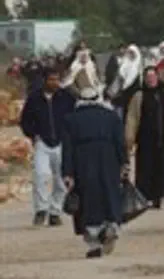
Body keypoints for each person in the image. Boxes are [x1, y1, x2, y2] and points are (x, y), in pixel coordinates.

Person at [62, 87, 126, 258]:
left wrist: (67, 172)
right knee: (110, 193)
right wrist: (124, 163)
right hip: (108, 158)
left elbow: (67, 149)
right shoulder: (111, 117)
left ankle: (93, 241)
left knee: (88, 198)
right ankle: (111, 225)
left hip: (82, 161)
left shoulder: (70, 119)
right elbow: (120, 142)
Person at [20, 68, 76, 226]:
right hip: (42, 142)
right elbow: (25, 120)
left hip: (62, 143)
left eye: (57, 79)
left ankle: (55, 212)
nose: (55, 83)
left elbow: (73, 118)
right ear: (45, 80)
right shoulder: (34, 98)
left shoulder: (66, 97)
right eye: (51, 80)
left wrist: (70, 136)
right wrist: (33, 134)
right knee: (41, 175)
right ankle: (41, 209)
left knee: (61, 179)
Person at [125, 67, 164, 209]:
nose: (150, 80)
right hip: (146, 139)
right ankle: (147, 197)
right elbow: (132, 118)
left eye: (153, 77)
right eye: (148, 77)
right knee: (146, 168)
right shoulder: (139, 96)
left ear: (157, 77)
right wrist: (129, 138)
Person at [106, 44, 143, 120]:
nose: (131, 55)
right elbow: (118, 79)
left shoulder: (138, 66)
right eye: (130, 52)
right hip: (123, 93)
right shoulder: (124, 64)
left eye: (133, 53)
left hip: (135, 92)